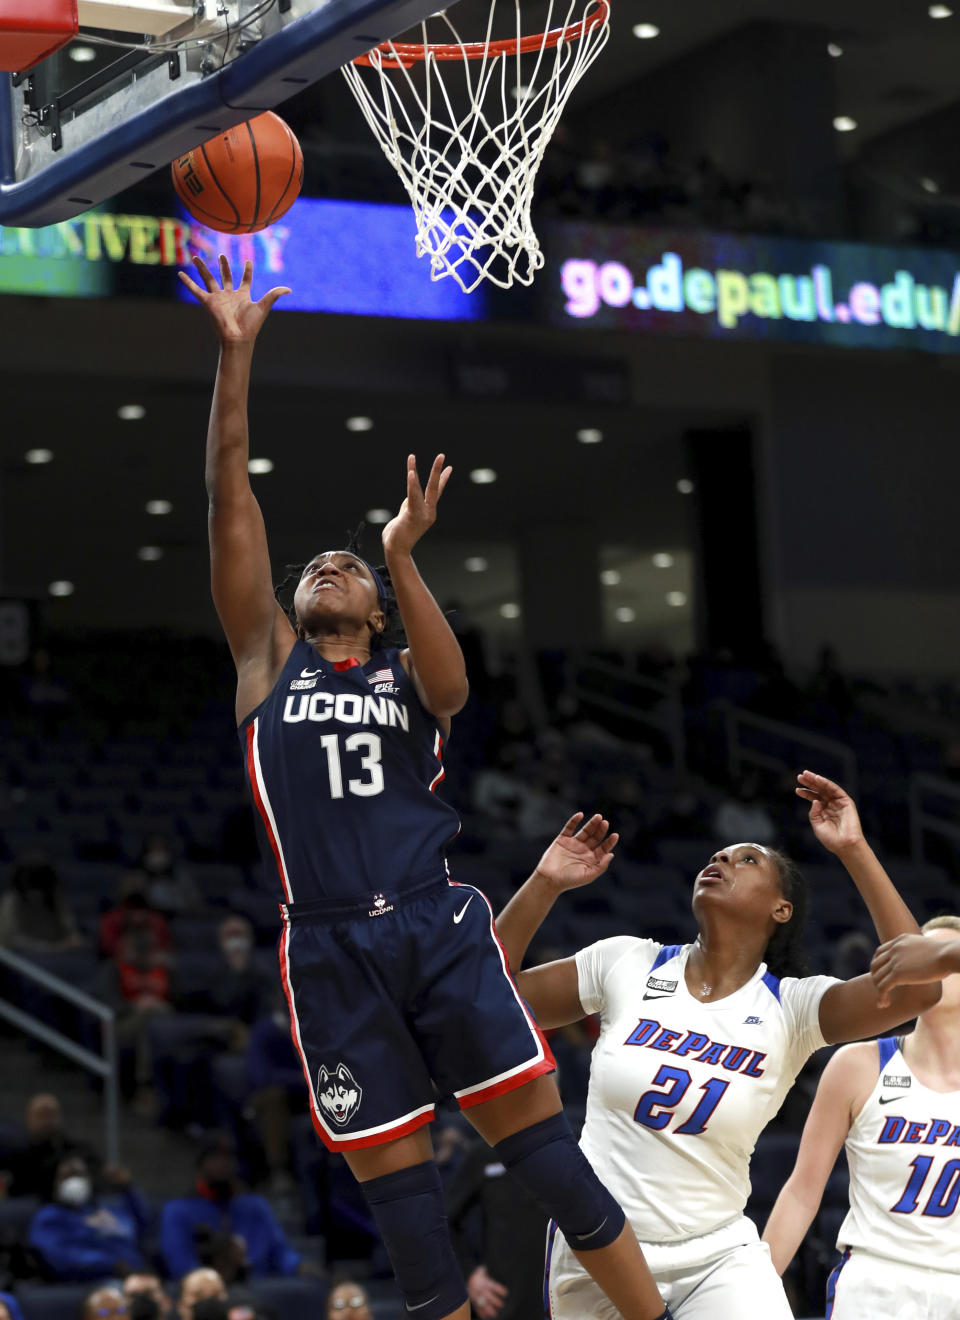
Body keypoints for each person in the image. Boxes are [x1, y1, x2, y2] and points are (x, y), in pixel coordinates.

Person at [179, 253, 672, 1320]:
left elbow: (452, 687)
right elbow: (230, 499)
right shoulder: (265, 662)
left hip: (434, 925)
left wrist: (402, 551)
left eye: (347, 566)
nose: (325, 565)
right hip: (327, 946)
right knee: (410, 1235)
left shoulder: (408, 673)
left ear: (377, 607)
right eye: (317, 564)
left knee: (551, 1167)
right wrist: (235, 356)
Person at [495, 771, 939, 1319]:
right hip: (601, 1246)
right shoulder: (626, 961)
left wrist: (853, 849)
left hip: (717, 1253)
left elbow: (918, 989)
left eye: (746, 859)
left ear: (782, 909)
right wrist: (544, 883)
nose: (722, 859)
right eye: (719, 854)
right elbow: (485, 996)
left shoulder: (793, 1008)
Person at [763, 915, 960, 1318]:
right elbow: (802, 1192)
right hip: (874, 1283)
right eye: (920, 958)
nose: (931, 969)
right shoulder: (858, 1064)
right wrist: (753, 1289)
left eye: (943, 958)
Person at [160, 1136, 300, 1280]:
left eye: (228, 1157)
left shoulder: (255, 1206)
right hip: (207, 1290)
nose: (223, 1164)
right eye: (215, 1157)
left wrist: (299, 1266)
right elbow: (181, 1265)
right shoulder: (178, 1211)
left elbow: (281, 1252)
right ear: (200, 1165)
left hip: (258, 1286)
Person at [28, 1155, 147, 1281]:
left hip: (137, 1275)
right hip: (95, 1281)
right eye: (67, 1176)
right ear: (55, 1183)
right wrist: (111, 1264)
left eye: (79, 1175)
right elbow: (59, 1256)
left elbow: (140, 1228)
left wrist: (127, 1189)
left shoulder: (108, 1210)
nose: (74, 1182)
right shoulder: (49, 1217)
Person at [2, 1092, 101, 1199]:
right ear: (28, 1118)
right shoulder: (16, 1156)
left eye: (51, 1115)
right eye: (41, 1115)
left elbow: (98, 1177)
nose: (47, 1121)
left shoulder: (79, 1151)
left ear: (60, 1117)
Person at [0, 854, 83, 953]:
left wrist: (73, 937)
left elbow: (69, 927)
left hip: (55, 954)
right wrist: (49, 947)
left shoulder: (55, 897)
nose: (36, 894)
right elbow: (11, 938)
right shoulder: (11, 900)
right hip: (22, 957)